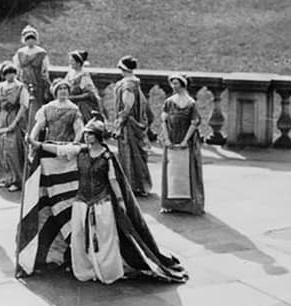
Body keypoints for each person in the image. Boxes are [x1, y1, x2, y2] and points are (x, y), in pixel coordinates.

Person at [27, 119, 187, 284]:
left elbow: (113, 181)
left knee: (105, 240)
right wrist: (37, 144)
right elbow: (59, 149)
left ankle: (107, 271)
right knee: (80, 238)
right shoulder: (80, 151)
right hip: (81, 203)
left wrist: (120, 201)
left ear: (98, 136)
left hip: (102, 204)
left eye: (90, 134)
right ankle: (87, 270)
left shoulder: (106, 156)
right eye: (86, 133)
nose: (87, 137)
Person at [159, 74, 206, 215]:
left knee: (187, 171)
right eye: (172, 83)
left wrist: (185, 140)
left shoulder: (191, 103)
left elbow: (194, 123)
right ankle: (169, 204)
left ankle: (189, 205)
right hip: (172, 139)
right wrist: (166, 139)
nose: (173, 86)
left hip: (186, 141)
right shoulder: (169, 102)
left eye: (176, 83)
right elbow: (164, 122)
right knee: (171, 171)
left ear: (183, 84)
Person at [112, 55, 152, 197]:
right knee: (136, 154)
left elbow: (127, 106)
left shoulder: (127, 85)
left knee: (129, 153)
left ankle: (132, 185)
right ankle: (139, 184)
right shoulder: (134, 82)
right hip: (135, 122)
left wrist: (120, 122)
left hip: (129, 124)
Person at [27, 78, 83, 167]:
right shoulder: (47, 108)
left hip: (65, 145)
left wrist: (74, 145)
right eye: (60, 89)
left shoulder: (74, 109)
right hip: (49, 145)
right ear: (55, 92)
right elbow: (39, 125)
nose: (63, 91)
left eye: (65, 89)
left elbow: (79, 130)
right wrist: (31, 138)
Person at [0, 62, 29, 191]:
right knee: (2, 150)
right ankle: (6, 178)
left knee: (13, 150)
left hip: (14, 117)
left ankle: (17, 180)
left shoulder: (21, 87)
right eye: (7, 74)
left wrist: (14, 123)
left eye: (12, 73)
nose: (10, 76)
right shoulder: (0, 87)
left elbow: (23, 106)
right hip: (2, 117)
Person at [13, 25, 51, 131]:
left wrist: (46, 83)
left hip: (37, 83)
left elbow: (44, 70)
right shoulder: (20, 53)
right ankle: (23, 130)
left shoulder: (41, 53)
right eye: (27, 39)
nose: (30, 41)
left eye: (32, 39)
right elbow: (17, 69)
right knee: (23, 106)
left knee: (35, 108)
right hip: (23, 82)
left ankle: (34, 131)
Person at [64, 50, 100, 121]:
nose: (70, 63)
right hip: (70, 102)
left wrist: (73, 98)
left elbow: (89, 94)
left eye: (72, 61)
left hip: (81, 105)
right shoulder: (71, 73)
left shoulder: (84, 76)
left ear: (78, 63)